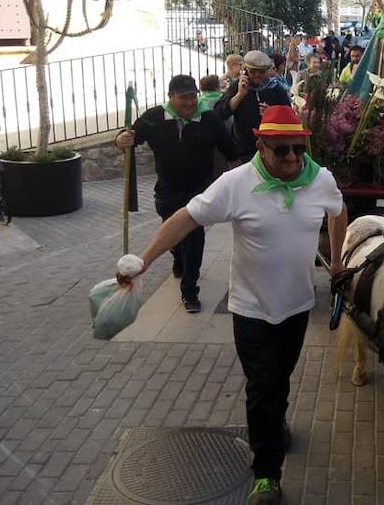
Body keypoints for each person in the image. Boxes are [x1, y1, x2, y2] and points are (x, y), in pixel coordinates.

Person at [117, 105, 348, 505]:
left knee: (280, 378)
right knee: (262, 387)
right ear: (261, 145)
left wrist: (339, 261)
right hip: (251, 308)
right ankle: (266, 473)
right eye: (282, 151)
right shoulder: (235, 183)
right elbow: (185, 218)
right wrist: (143, 261)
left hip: (297, 306)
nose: (292, 158)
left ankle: (275, 421)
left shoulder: (320, 179)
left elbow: (339, 210)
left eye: (298, 148)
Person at [115, 75, 238, 312]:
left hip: (198, 191)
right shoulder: (154, 118)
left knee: (193, 237)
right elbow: (131, 137)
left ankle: (189, 290)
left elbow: (231, 151)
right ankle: (178, 258)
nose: (190, 102)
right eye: (184, 98)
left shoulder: (209, 119)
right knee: (172, 233)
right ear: (171, 97)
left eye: (193, 96)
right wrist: (121, 139)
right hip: (167, 190)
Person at [218, 50, 291, 163]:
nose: (256, 75)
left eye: (261, 72)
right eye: (252, 72)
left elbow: (289, 116)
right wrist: (240, 95)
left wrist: (272, 113)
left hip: (271, 149)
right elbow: (220, 113)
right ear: (246, 70)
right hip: (244, 150)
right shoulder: (238, 86)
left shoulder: (276, 89)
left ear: (267, 71)